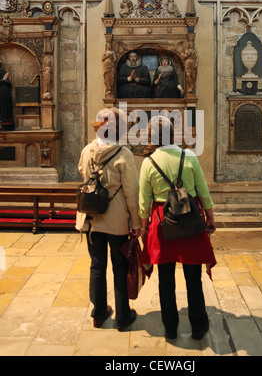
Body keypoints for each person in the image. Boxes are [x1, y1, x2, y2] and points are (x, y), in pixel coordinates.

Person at [139, 116, 216, 340]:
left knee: (166, 278)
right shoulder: (189, 156)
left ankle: (170, 327)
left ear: (152, 137)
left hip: (164, 223)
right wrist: (210, 217)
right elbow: (203, 191)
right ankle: (198, 326)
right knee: (193, 277)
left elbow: (143, 202)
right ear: (173, 134)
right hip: (190, 219)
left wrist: (143, 229)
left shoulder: (148, 162)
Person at [76, 107, 141, 331]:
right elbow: (131, 192)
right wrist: (136, 223)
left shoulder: (87, 150)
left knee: (97, 266)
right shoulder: (123, 154)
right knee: (120, 266)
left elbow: (81, 172)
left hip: (92, 219)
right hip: (117, 220)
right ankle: (123, 316)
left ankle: (99, 312)